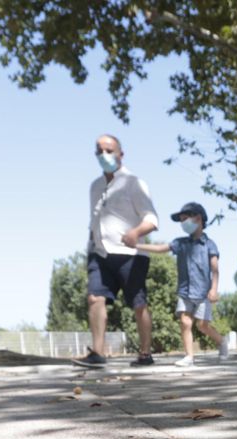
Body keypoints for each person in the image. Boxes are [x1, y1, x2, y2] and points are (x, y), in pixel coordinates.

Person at [74, 135, 159, 368]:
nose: (105, 156)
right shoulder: (95, 186)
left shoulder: (134, 182)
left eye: (109, 150)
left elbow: (152, 219)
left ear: (121, 153)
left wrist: (135, 232)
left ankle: (145, 353)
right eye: (100, 151)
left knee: (138, 303)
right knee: (95, 298)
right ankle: (98, 353)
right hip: (99, 253)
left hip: (130, 254)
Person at [137, 202, 229, 367]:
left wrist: (214, 289)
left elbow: (215, 270)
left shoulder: (209, 244)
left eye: (185, 218)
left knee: (202, 325)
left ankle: (222, 341)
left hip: (203, 293)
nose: (182, 223)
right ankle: (189, 357)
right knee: (185, 322)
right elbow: (160, 248)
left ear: (199, 218)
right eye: (181, 220)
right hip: (185, 291)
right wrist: (137, 245)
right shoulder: (180, 243)